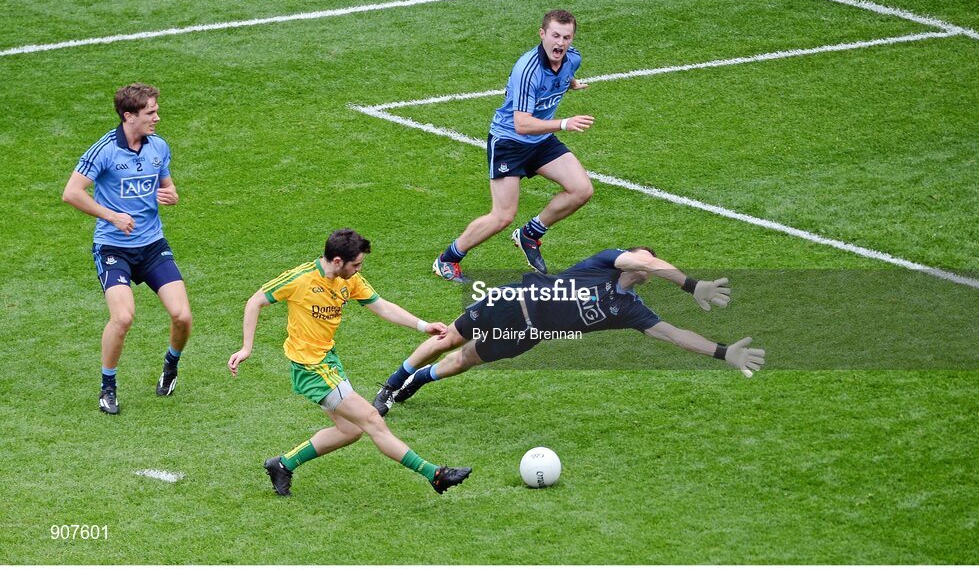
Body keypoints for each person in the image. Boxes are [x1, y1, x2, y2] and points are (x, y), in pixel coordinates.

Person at [374, 247, 765, 416]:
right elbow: (648, 261)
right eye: (644, 257)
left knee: (465, 359)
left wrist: (723, 351)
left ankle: (419, 380)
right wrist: (691, 285)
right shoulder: (605, 262)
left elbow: (676, 335)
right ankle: (390, 386)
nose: (648, 264)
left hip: (529, 334)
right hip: (512, 301)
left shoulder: (630, 310)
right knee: (449, 339)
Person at [227, 228, 472, 497]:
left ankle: (282, 465)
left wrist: (423, 326)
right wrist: (246, 348)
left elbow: (381, 306)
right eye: (355, 265)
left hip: (328, 361)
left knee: (351, 430)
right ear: (337, 261)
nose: (358, 270)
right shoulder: (300, 278)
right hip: (311, 369)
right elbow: (255, 301)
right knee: (372, 419)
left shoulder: (350, 280)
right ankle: (434, 474)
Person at [433, 9, 595, 282]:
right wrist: (564, 123)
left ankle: (530, 233)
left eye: (566, 37)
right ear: (542, 34)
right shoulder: (527, 70)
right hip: (510, 142)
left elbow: (565, 73)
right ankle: (447, 259)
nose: (560, 43)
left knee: (582, 190)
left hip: (540, 140)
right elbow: (522, 124)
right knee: (503, 216)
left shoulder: (572, 58)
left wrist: (572, 84)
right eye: (555, 35)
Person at [62, 83, 192, 415]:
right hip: (113, 248)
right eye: (151, 112)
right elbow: (72, 192)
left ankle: (171, 366)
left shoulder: (158, 147)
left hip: (152, 246)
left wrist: (172, 196)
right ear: (129, 116)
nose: (157, 118)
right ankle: (108, 387)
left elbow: (168, 187)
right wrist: (112, 216)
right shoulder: (104, 150)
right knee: (122, 318)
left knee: (182, 316)